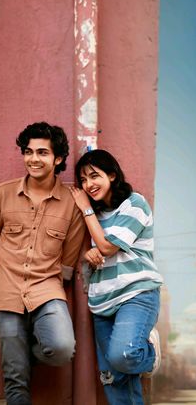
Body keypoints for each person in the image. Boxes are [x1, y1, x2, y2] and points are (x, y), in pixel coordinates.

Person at [0, 122, 86, 405]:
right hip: (6, 289)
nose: (33, 159)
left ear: (58, 158)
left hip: (47, 288)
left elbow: (69, 255)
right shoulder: (2, 194)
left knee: (62, 348)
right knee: (15, 381)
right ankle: (15, 362)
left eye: (42, 152)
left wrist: (56, 278)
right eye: (28, 152)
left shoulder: (71, 203)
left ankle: (18, 354)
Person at [69, 149, 163, 405]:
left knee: (124, 355)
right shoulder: (96, 217)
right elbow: (96, 250)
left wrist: (86, 210)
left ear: (112, 175)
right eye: (84, 180)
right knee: (112, 376)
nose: (88, 184)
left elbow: (108, 247)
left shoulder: (135, 203)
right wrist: (90, 253)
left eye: (94, 176)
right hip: (102, 301)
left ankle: (150, 353)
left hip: (136, 294)